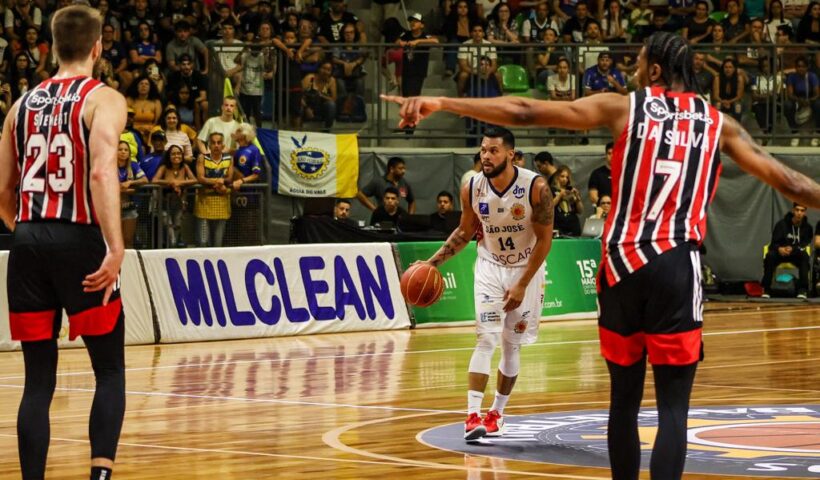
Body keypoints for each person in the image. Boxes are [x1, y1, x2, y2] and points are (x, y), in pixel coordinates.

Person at [383, 31, 820, 479]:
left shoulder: (625, 106)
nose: (633, 70)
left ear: (654, 71)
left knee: (624, 405)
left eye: (639, 62)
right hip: (675, 263)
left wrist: (443, 102)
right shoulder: (717, 123)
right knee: (672, 409)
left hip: (622, 265)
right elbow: (793, 184)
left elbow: (525, 110)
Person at [0, 6, 129, 480]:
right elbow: (100, 171)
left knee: (37, 380)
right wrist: (115, 248)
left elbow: (3, 192)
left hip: (28, 241)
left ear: (51, 47)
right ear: (98, 46)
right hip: (80, 239)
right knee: (110, 370)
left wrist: (31, 234)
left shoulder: (21, 104)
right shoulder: (104, 99)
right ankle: (98, 476)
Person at [409, 127, 554, 441]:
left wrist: (522, 284)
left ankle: (497, 413)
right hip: (489, 266)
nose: (486, 157)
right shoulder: (472, 185)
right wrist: (431, 263)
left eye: (493, 151)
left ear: (510, 155)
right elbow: (464, 232)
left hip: (525, 268)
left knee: (510, 344)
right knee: (485, 338)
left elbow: (545, 241)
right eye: (483, 150)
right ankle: (472, 414)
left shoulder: (536, 187)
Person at [761, 203, 812, 298]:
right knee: (770, 256)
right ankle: (766, 289)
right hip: (780, 253)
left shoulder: (808, 228)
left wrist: (793, 249)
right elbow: (773, 243)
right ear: (793, 210)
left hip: (795, 254)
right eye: (797, 210)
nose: (799, 213)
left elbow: (804, 244)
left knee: (804, 256)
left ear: (805, 212)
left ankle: (802, 290)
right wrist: (780, 249)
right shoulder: (781, 225)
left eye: (802, 210)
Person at [152, 145, 197, 248]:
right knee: (169, 230)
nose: (176, 156)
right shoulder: (164, 167)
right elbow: (154, 180)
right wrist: (170, 182)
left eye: (178, 153)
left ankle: (174, 250)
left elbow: (195, 180)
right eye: (173, 154)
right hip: (164, 205)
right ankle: (170, 248)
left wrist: (180, 182)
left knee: (178, 227)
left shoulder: (185, 167)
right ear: (169, 156)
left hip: (179, 204)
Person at [194, 132, 233, 248]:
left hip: (222, 205)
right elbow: (200, 178)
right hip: (204, 205)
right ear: (209, 145)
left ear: (223, 145)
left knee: (218, 243)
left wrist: (222, 182)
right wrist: (218, 181)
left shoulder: (229, 158)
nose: (216, 145)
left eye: (219, 143)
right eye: (213, 143)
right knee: (203, 242)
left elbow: (230, 178)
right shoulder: (202, 158)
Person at [551, 165, 583, 236]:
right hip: (558, 224)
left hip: (573, 224)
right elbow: (550, 206)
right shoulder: (552, 190)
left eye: (567, 177)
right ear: (557, 177)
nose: (565, 179)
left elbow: (580, 211)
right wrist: (560, 195)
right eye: (562, 176)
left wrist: (578, 198)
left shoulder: (571, 190)